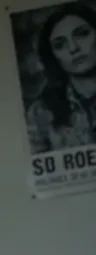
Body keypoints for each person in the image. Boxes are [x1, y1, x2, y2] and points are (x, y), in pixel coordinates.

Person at [27, 2, 96, 153]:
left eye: (82, 34)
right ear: (53, 56)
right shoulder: (40, 110)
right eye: (60, 45)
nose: (73, 48)